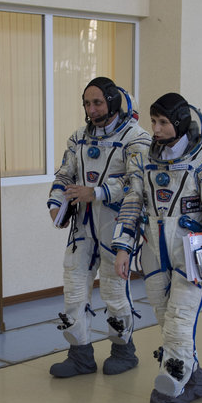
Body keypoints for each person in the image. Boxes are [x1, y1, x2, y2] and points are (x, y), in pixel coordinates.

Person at [112, 93, 202, 403]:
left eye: (163, 122)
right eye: (153, 122)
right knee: (167, 324)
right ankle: (194, 379)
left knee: (180, 326)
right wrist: (123, 247)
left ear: (181, 123)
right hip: (154, 255)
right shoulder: (144, 160)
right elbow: (132, 202)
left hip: (192, 258)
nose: (155, 128)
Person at [47, 77, 151, 378]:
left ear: (113, 102)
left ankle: (123, 350)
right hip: (82, 226)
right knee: (74, 289)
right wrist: (56, 204)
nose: (91, 109)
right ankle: (80, 355)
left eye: (98, 103)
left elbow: (137, 181)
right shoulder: (79, 137)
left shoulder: (136, 138)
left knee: (115, 290)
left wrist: (98, 192)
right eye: (87, 103)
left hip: (117, 224)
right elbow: (64, 174)